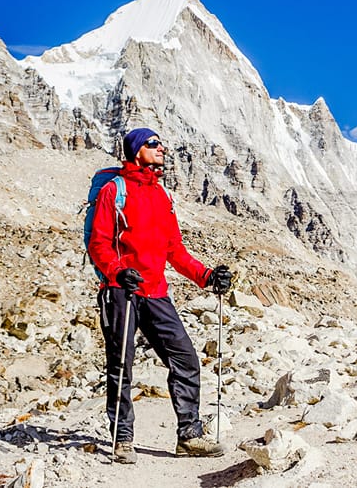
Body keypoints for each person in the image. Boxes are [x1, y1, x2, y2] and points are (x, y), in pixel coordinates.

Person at [90, 127, 236, 463]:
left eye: (161, 144)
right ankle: (122, 440)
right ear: (137, 150)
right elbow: (99, 243)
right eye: (153, 145)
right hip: (120, 292)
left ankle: (188, 436)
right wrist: (116, 272)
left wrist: (208, 277)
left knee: (185, 359)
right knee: (121, 367)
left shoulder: (162, 196)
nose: (162, 149)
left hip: (156, 293)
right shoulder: (116, 190)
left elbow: (174, 250)